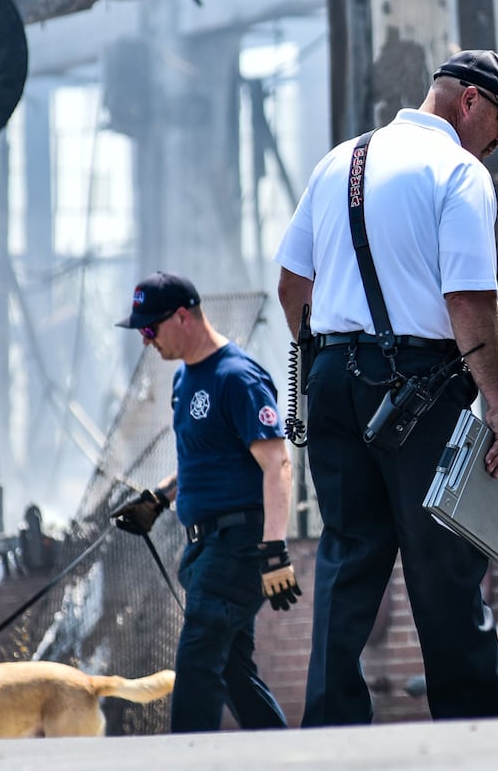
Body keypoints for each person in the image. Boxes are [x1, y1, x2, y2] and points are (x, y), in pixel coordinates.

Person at [274, 48, 498, 726]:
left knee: (347, 557)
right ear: (472, 101)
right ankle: (475, 729)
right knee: (444, 563)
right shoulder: (458, 172)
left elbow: (291, 283)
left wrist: (323, 354)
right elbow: (471, 299)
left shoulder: (341, 160)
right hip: (420, 381)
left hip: (332, 376)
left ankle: (331, 730)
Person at [109, 271, 299, 733]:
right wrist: (159, 499)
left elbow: (278, 464)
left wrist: (274, 551)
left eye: (150, 329)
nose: (146, 341)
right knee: (233, 673)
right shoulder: (184, 380)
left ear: (182, 317)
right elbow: (207, 460)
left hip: (237, 545)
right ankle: (282, 757)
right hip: (203, 549)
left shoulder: (238, 377)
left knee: (196, 662)